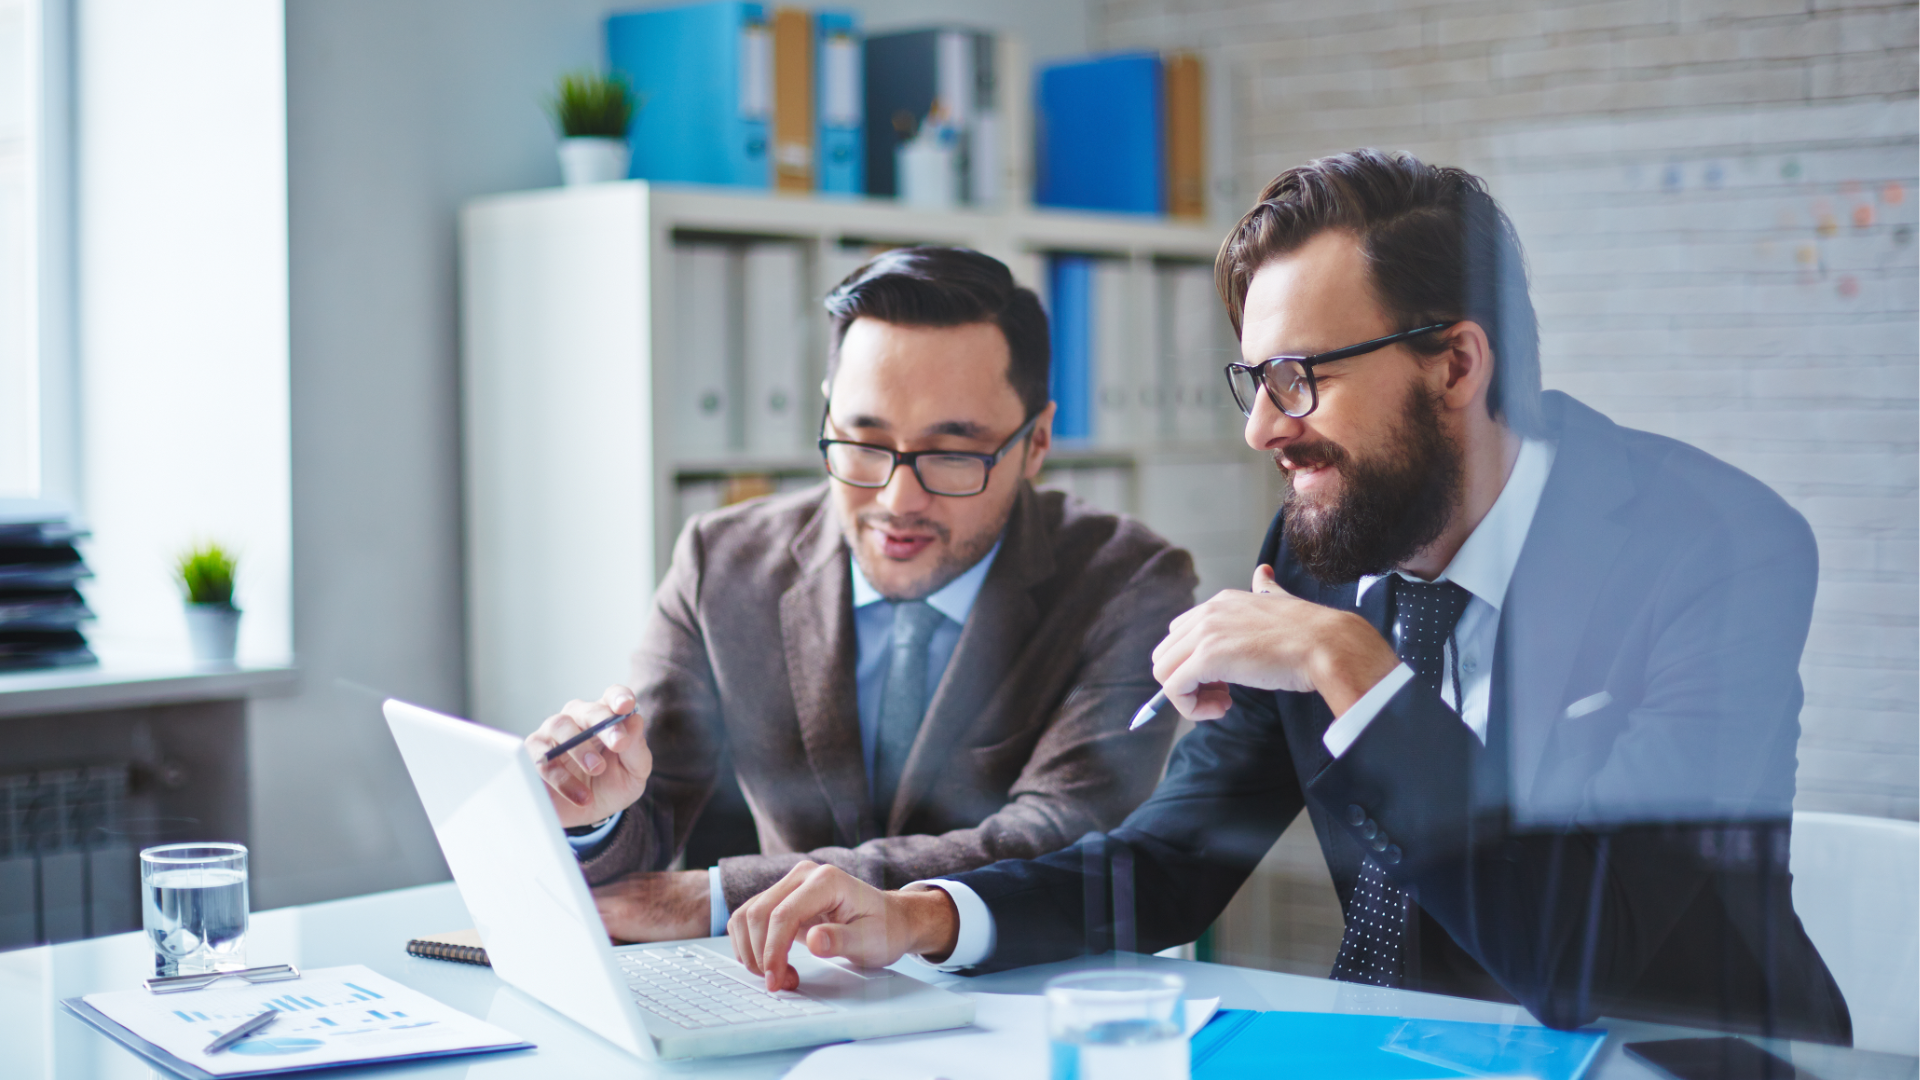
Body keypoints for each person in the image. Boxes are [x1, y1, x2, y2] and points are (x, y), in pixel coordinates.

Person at [721, 151, 1853, 1045]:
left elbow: (1584, 954)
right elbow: (1167, 865)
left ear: (1456, 366)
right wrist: (923, 918)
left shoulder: (1716, 551)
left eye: (1300, 378)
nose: (1264, 428)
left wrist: (1355, 670)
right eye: (1253, 382)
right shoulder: (1318, 552)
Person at [523, 246, 1197, 944]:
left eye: (952, 454)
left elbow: (1058, 839)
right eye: (864, 443)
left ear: (1037, 443)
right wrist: (592, 810)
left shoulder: (1129, 582)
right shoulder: (720, 564)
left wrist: (722, 895)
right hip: (785, 994)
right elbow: (648, 818)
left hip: (1022, 995)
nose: (898, 500)